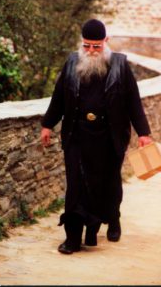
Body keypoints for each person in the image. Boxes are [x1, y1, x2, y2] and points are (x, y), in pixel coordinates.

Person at [41, 19, 152, 254]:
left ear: (106, 42)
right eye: (87, 46)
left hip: (108, 137)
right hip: (77, 136)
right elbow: (59, 97)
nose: (91, 51)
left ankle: (112, 219)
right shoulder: (72, 63)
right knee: (76, 187)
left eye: (96, 46)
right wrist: (47, 124)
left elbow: (133, 102)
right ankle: (73, 238)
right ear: (82, 43)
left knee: (107, 184)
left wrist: (144, 133)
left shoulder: (120, 66)